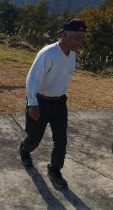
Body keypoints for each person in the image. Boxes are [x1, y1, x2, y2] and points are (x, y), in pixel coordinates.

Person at [18, 18, 86, 189]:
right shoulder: (47, 53)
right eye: (77, 37)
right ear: (64, 35)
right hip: (40, 102)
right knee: (34, 139)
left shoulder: (71, 55)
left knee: (61, 140)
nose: (80, 41)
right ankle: (25, 150)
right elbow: (32, 80)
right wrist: (32, 104)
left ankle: (55, 170)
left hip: (59, 104)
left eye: (82, 38)